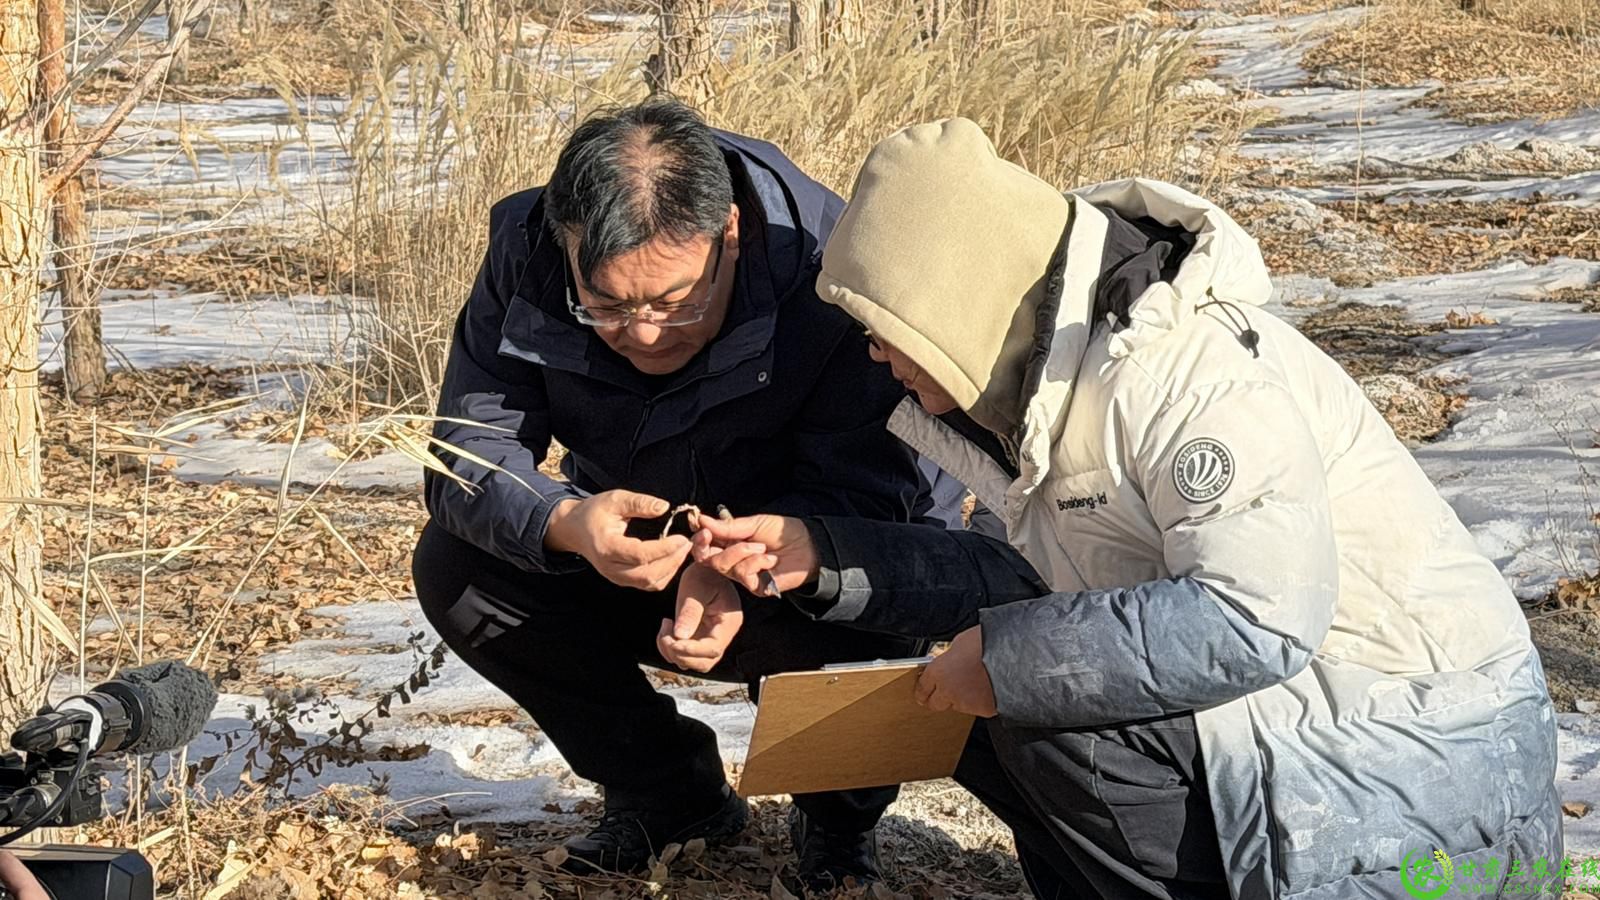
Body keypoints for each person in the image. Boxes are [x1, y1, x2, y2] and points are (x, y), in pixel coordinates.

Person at [679, 118, 1562, 899]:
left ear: (955, 308)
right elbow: (1015, 571)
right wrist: (818, 551)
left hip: (1418, 751)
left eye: (885, 325)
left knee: (1034, 703)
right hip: (1292, 713)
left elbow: (1260, 615)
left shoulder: (1181, 371)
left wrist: (1013, 660)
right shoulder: (1046, 384)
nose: (872, 354)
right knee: (981, 699)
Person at [410, 100, 959, 893]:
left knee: (879, 585)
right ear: (565, 242)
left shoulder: (832, 268)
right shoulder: (526, 253)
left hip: (807, 546)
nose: (643, 334)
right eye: (605, 305)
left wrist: (746, 564)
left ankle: (839, 816)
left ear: (729, 233)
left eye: (675, 302)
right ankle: (668, 792)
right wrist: (565, 521)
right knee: (458, 564)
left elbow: (880, 497)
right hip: (636, 546)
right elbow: (466, 455)